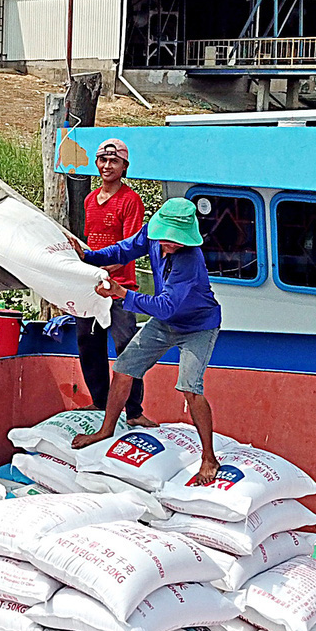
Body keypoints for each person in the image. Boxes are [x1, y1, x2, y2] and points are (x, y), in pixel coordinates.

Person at [69, 197, 223, 483]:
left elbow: (166, 306)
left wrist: (121, 293)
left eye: (178, 241)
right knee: (124, 368)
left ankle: (209, 458)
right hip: (166, 323)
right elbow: (124, 249)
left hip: (198, 326)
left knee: (190, 387)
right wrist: (89, 257)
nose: (172, 245)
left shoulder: (190, 259)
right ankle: (106, 430)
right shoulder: (151, 233)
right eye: (168, 240)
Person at [76, 137, 151, 426]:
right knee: (88, 342)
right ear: (96, 163)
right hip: (91, 285)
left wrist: (106, 270)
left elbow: (131, 247)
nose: (107, 166)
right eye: (102, 160)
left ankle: (134, 411)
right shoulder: (89, 200)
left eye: (114, 161)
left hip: (120, 287)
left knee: (127, 347)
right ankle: (99, 401)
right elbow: (90, 244)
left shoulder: (131, 201)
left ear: (124, 167)